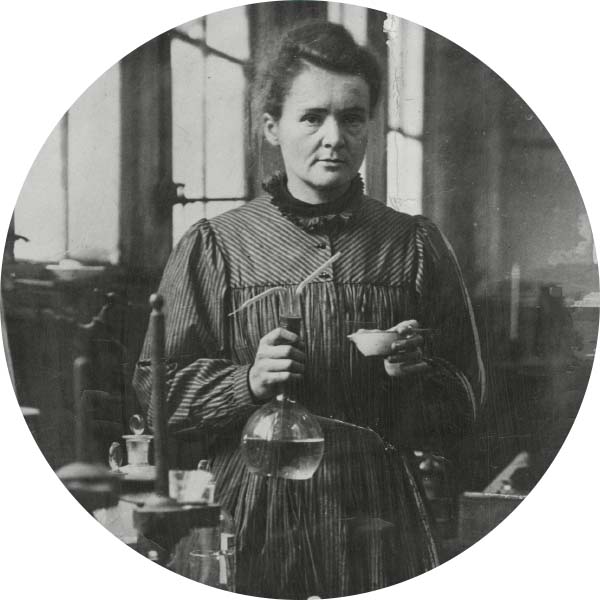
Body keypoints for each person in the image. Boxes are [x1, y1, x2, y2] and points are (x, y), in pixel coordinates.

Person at [133, 21, 485, 599]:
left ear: (370, 125)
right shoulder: (216, 246)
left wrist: (417, 377)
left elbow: (466, 404)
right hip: (251, 510)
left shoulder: (414, 245)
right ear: (272, 126)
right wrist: (246, 383)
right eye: (312, 117)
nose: (334, 137)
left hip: (377, 512)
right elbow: (154, 396)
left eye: (353, 117)